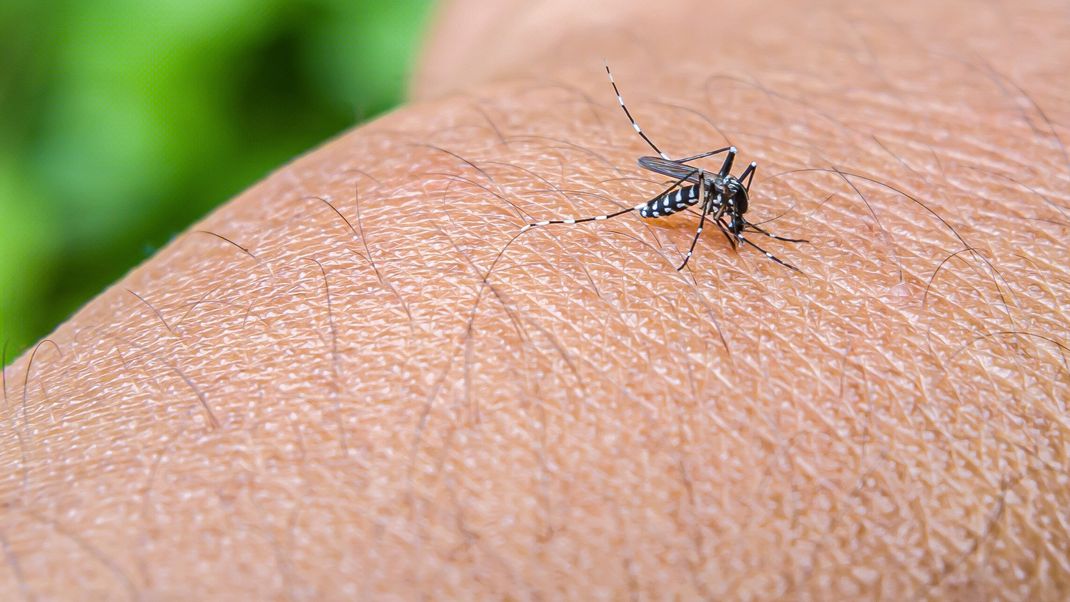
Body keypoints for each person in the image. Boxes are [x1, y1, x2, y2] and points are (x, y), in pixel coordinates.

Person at [4, 0, 1068, 598]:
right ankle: (659, 183)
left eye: (725, 208)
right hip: (670, 187)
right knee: (707, 188)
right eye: (725, 208)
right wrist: (693, 216)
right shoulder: (702, 200)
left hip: (681, 173)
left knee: (727, 184)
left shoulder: (731, 192)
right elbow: (712, 198)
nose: (729, 210)